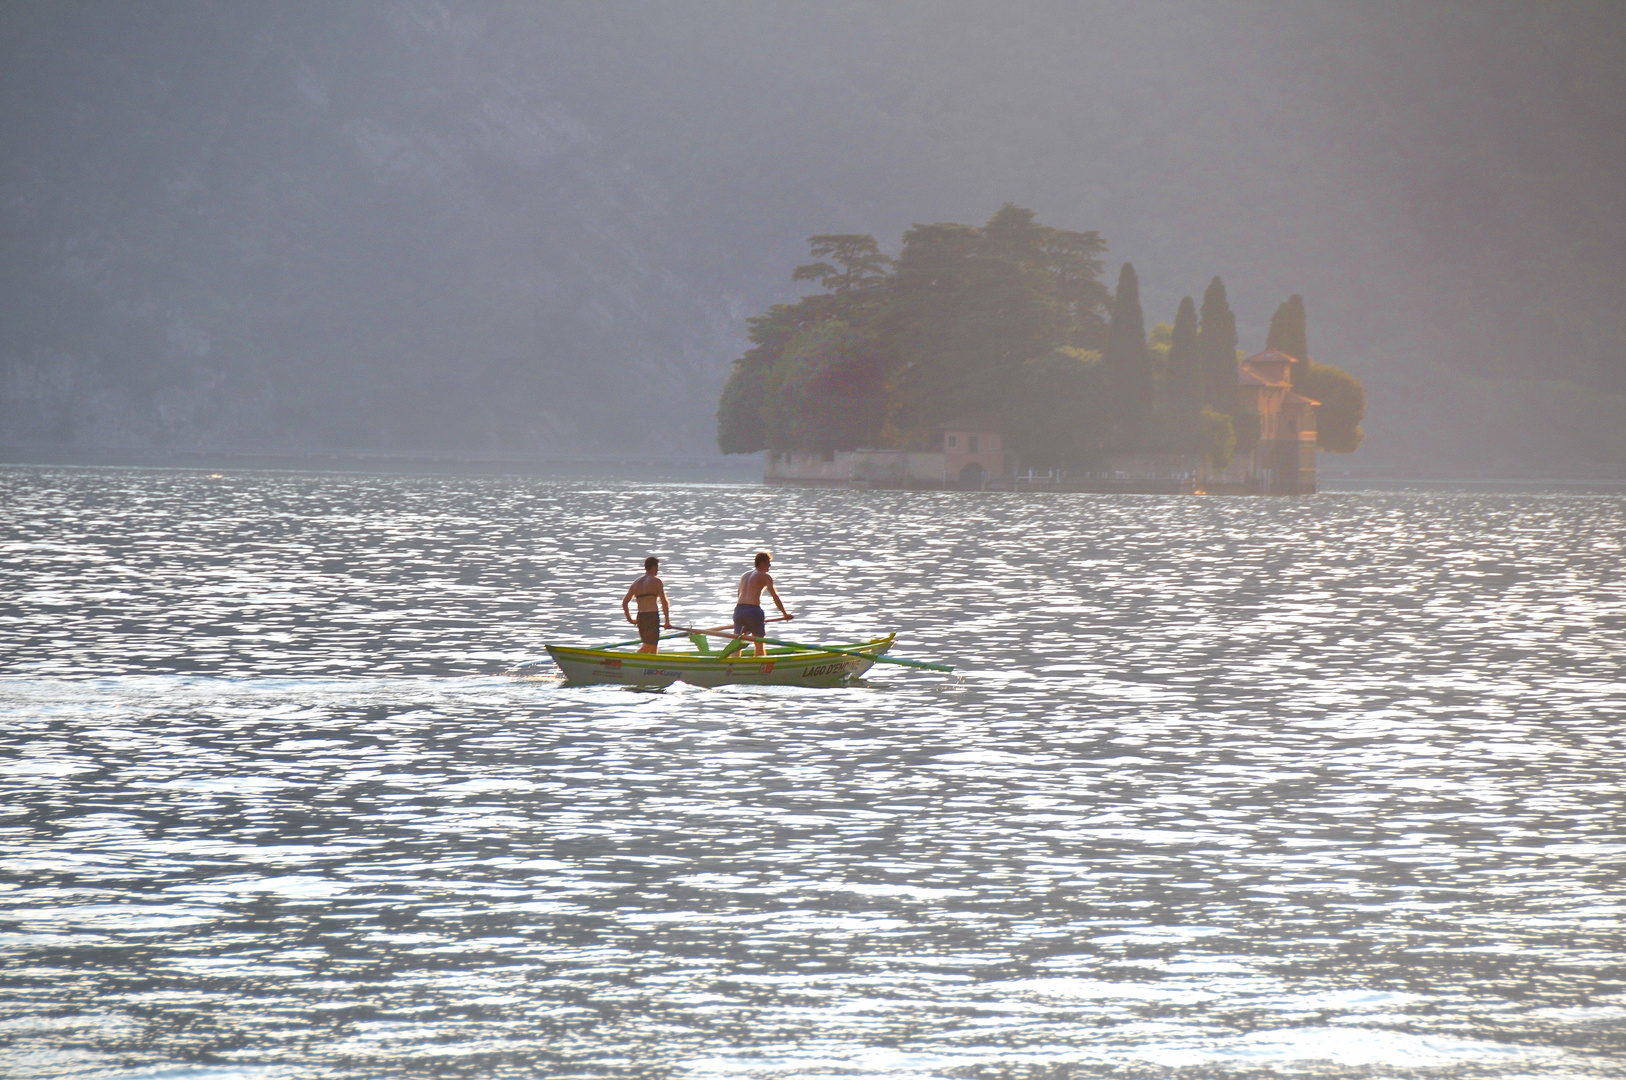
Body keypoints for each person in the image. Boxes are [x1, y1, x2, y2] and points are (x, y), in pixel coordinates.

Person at [729, 551, 792, 657]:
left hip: (739, 610)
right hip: (753, 611)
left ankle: (733, 663)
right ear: (762, 563)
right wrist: (784, 614)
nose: (770, 566)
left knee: (737, 641)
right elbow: (775, 597)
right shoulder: (765, 576)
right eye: (768, 563)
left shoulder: (744, 575)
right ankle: (760, 664)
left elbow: (738, 595)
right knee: (759, 642)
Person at [621, 556, 672, 653]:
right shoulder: (656, 581)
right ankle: (631, 661)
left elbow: (624, 603)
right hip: (651, 617)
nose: (657, 570)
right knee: (648, 646)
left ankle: (652, 667)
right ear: (653, 567)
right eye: (657, 568)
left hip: (641, 618)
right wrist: (667, 621)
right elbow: (664, 602)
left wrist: (630, 619)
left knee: (653, 647)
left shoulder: (636, 583)